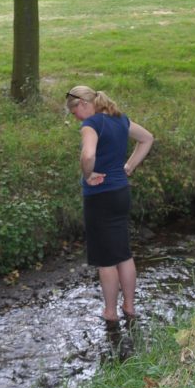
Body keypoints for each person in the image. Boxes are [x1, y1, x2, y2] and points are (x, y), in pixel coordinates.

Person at [66, 86, 154, 323]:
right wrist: (129, 166)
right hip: (120, 193)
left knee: (106, 259)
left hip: (100, 196)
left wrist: (88, 175)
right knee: (123, 252)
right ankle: (129, 306)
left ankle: (110, 312)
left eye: (74, 112)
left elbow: (87, 156)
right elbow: (147, 139)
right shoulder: (120, 119)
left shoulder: (91, 125)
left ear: (83, 105)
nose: (75, 118)